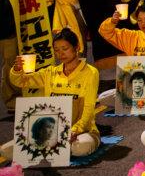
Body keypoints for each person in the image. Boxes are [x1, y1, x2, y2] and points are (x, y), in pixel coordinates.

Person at [3, 29, 101, 160]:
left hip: (81, 131)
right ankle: (52, 147)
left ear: (76, 47)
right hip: (51, 132)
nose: (60, 53)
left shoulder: (90, 72)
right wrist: (16, 69)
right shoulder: (51, 72)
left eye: (64, 48)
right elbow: (21, 81)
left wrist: (75, 130)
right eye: (57, 50)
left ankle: (48, 149)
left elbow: (89, 107)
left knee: (81, 147)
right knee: (5, 150)